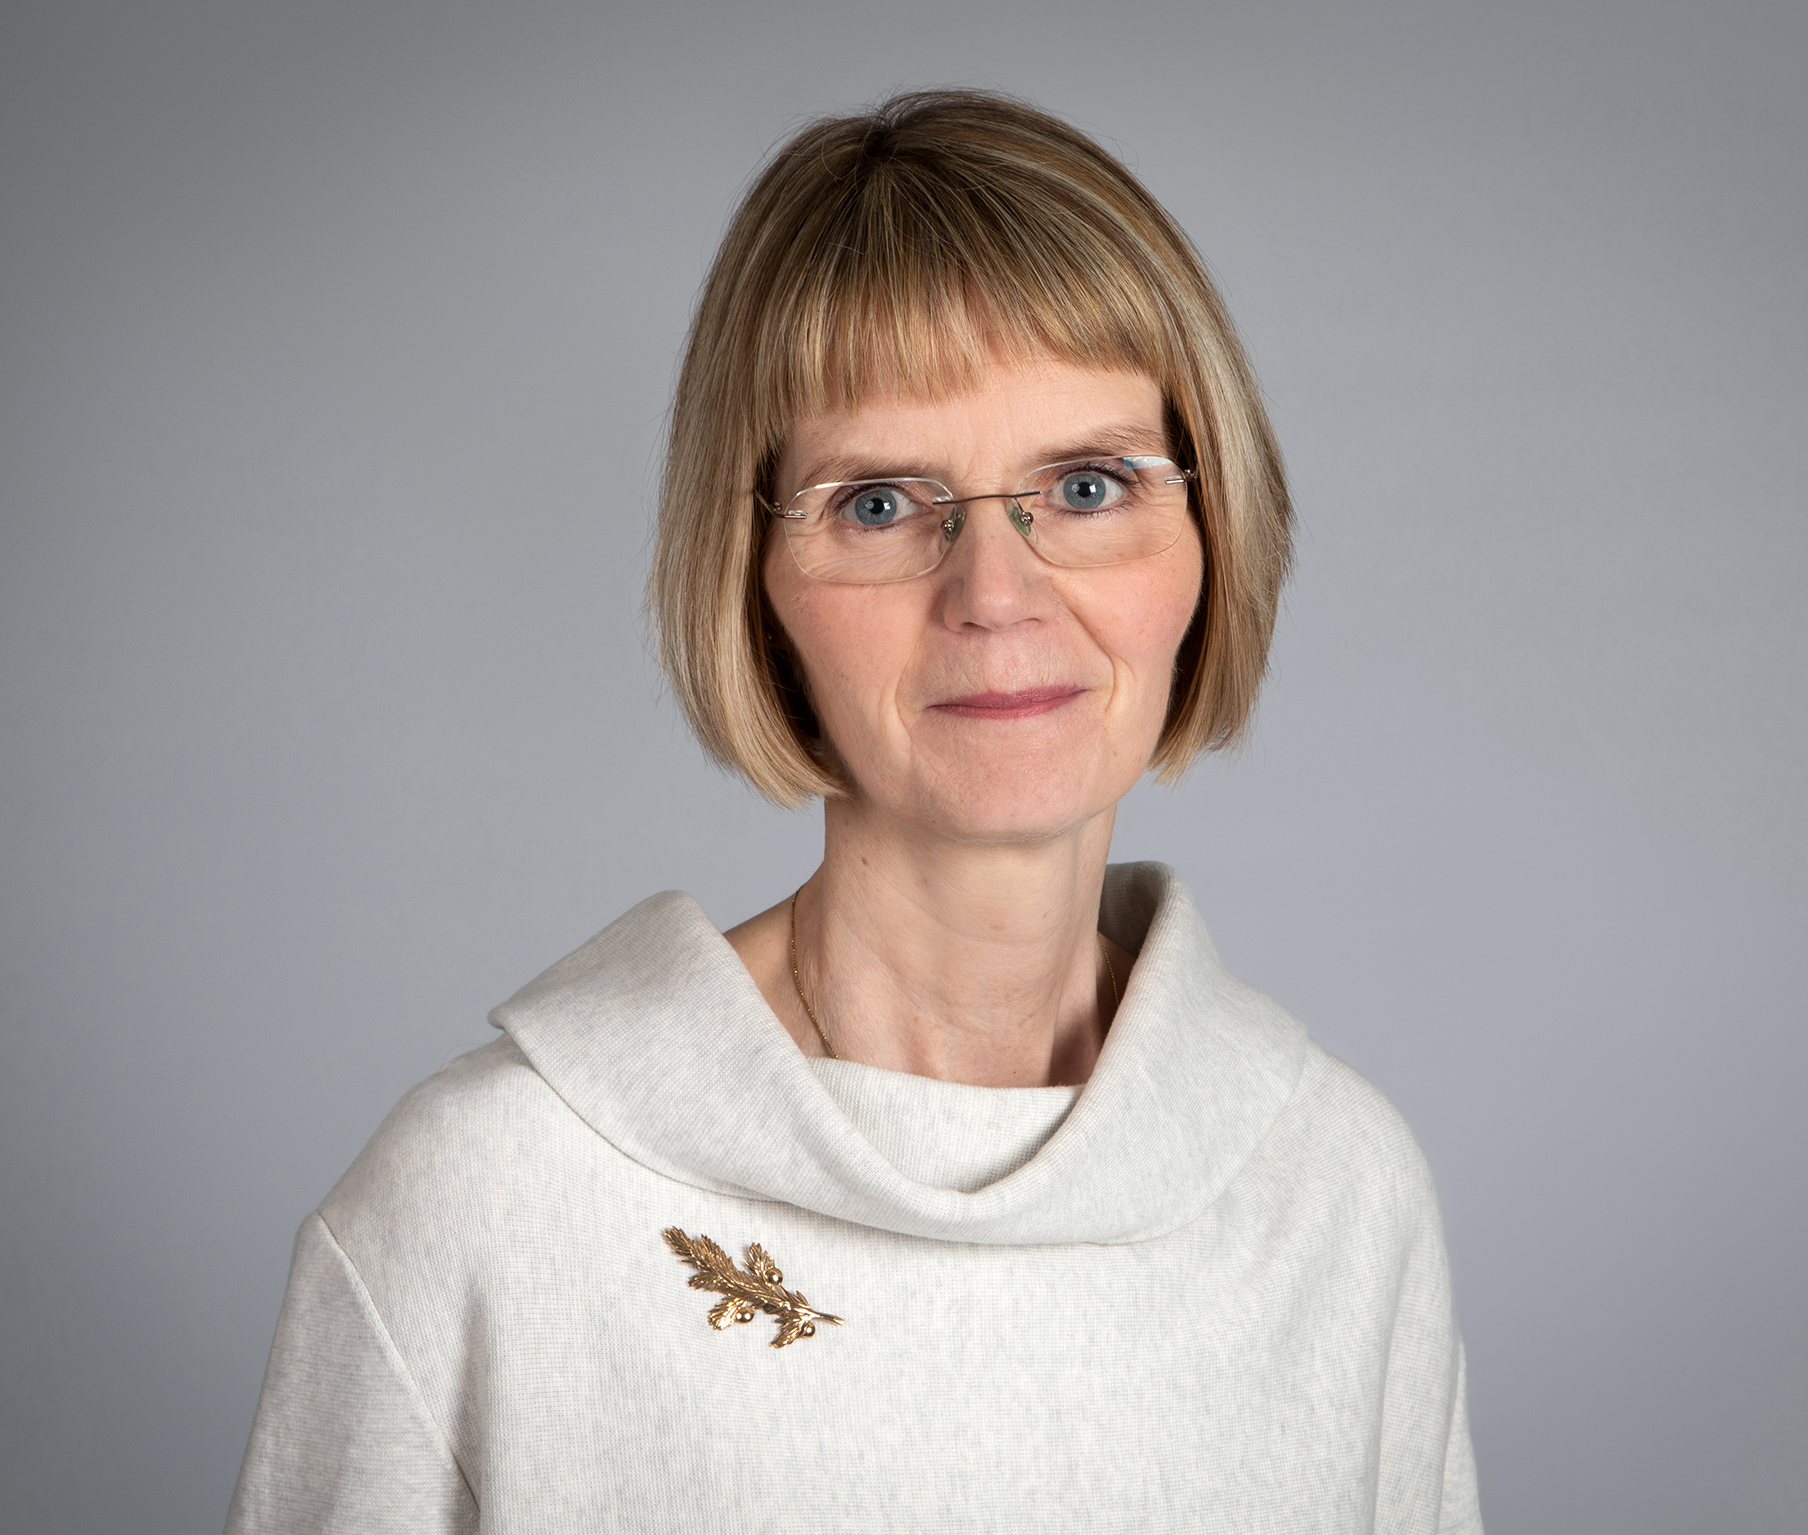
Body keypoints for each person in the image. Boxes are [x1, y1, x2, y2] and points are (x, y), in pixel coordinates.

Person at [227, 90, 1481, 1533]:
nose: (995, 596)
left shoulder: (1337, 1190)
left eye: (1087, 486)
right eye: (880, 503)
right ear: (749, 576)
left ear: (1210, 537)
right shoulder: (485, 1197)